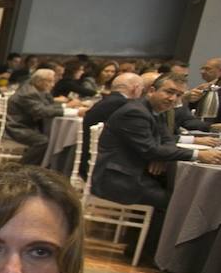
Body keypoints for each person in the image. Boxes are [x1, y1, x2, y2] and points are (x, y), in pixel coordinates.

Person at [92, 75, 221, 212]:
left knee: (185, 194)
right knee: (180, 203)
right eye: (169, 92)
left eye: (178, 95)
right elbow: (150, 150)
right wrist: (198, 155)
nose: (173, 99)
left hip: (136, 174)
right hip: (117, 180)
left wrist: (160, 155)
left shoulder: (156, 111)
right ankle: (154, 234)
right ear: (152, 90)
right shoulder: (135, 112)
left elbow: (167, 139)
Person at [6, 68, 80, 165]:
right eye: (50, 81)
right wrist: (72, 110)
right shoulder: (30, 92)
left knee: (50, 135)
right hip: (17, 127)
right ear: (40, 81)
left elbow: (48, 105)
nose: (53, 84)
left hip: (26, 124)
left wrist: (66, 106)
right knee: (42, 141)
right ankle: (22, 167)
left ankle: (46, 165)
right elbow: (41, 111)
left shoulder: (37, 89)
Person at [79, 72, 144, 177]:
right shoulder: (124, 105)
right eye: (142, 89)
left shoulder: (107, 100)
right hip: (101, 167)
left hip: (90, 159)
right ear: (135, 88)